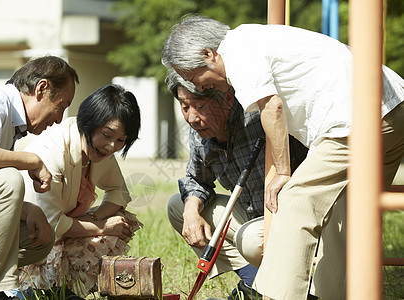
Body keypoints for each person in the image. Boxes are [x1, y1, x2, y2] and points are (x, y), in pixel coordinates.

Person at [162, 15, 404, 299]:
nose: (200, 87)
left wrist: (283, 172)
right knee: (346, 210)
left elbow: (272, 107)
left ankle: (278, 296)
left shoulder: (238, 52)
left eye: (195, 79)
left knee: (296, 198)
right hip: (391, 107)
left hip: (358, 116)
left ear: (208, 54)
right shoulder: (254, 39)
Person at [165, 70, 308, 299]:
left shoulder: (258, 116)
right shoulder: (200, 132)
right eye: (184, 107)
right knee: (178, 206)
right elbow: (197, 180)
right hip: (254, 219)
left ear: (228, 99)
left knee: (250, 239)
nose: (191, 118)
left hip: (295, 220)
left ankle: (296, 286)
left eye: (200, 107)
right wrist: (192, 211)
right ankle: (256, 284)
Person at [0, 55, 79, 300]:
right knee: (8, 179)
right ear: (42, 89)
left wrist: (25, 209)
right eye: (62, 106)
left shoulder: (9, 124)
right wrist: (32, 160)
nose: (59, 119)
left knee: (37, 238)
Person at [18, 84, 143, 298]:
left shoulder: (98, 150)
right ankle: (33, 289)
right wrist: (100, 226)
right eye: (107, 135)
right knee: (101, 230)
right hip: (29, 232)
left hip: (63, 226)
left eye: (121, 140)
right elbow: (52, 224)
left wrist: (94, 217)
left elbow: (118, 191)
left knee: (121, 220)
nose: (112, 146)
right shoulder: (54, 152)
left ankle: (69, 287)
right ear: (89, 123)